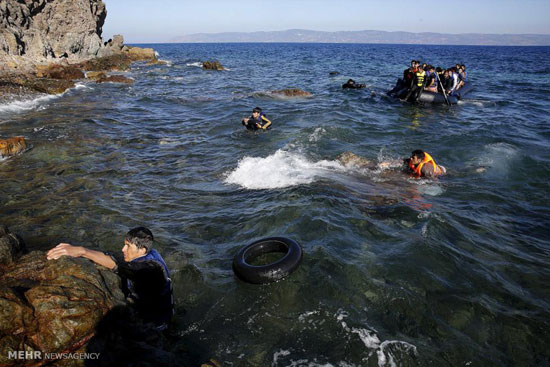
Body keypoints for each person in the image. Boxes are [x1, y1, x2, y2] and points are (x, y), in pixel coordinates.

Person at [47, 227, 174, 330]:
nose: (123, 249)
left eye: (128, 246)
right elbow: (115, 258)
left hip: (155, 324)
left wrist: (82, 251)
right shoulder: (152, 253)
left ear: (142, 249)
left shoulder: (149, 270)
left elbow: (118, 266)